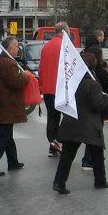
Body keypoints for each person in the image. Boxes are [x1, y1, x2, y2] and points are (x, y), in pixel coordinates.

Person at [53, 50, 108, 194]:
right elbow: (97, 104)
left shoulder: (72, 81)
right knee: (97, 153)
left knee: (67, 155)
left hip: (72, 122)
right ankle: (100, 181)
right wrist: (105, 98)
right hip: (89, 125)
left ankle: (59, 182)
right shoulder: (93, 84)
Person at [0, 36, 28, 176]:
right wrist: (25, 76)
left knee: (7, 134)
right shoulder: (9, 64)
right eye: (15, 46)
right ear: (9, 48)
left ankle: (13, 162)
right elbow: (15, 83)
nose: (18, 49)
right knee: (3, 137)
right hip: (6, 105)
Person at [38, 21, 69, 157]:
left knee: (52, 117)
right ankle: (58, 141)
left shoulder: (46, 46)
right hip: (61, 88)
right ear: (64, 31)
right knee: (67, 117)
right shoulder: (66, 45)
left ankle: (52, 144)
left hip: (48, 88)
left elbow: (41, 68)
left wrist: (41, 86)